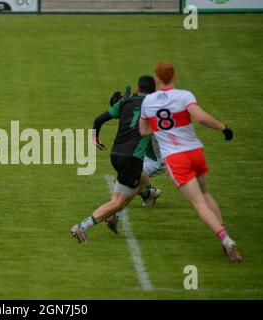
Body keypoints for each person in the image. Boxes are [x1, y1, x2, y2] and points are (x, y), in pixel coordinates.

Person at [139, 61, 242, 263]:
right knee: (206, 193)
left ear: (156, 78)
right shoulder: (184, 95)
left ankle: (226, 239)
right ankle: (224, 238)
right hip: (194, 151)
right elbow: (201, 118)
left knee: (199, 203)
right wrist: (223, 127)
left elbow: (143, 131)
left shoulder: (148, 102)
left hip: (175, 158)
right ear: (174, 76)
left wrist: (161, 130)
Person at [70, 75, 157, 243]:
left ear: (138, 88)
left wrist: (95, 138)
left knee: (144, 177)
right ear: (154, 92)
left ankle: (148, 194)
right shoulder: (154, 106)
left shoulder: (125, 103)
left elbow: (99, 120)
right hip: (132, 158)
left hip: (116, 155)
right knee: (117, 202)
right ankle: (82, 226)